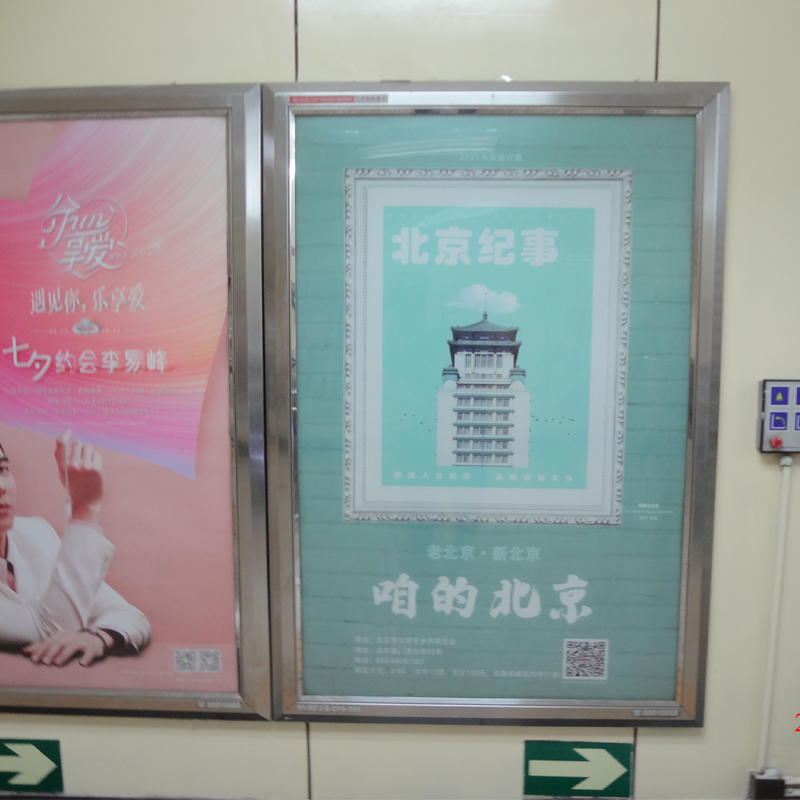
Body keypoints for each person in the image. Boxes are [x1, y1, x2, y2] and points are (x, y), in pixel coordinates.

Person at [0, 430, 149, 666]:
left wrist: (98, 637)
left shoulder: (34, 532)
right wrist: (86, 508)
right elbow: (50, 629)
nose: (1, 486)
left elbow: (130, 615)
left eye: (2, 469)